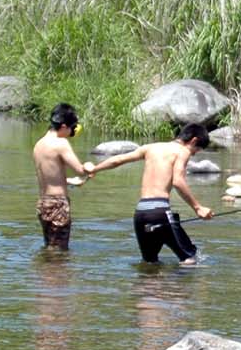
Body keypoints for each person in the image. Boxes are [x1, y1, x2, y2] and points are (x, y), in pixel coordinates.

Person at [85, 123, 217, 264]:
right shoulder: (182, 151)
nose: (193, 154)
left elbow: (118, 160)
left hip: (140, 214)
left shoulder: (150, 148)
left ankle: (150, 286)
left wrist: (95, 169)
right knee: (190, 258)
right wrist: (198, 208)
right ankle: (177, 286)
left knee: (149, 263)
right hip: (160, 212)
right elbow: (178, 181)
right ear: (194, 140)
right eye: (196, 151)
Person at [31, 103, 93, 249]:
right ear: (64, 126)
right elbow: (80, 169)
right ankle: (57, 272)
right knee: (59, 251)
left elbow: (46, 175)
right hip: (58, 204)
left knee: (50, 246)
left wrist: (69, 181)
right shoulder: (60, 143)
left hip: (43, 204)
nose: (72, 133)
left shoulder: (38, 145)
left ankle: (44, 272)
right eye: (72, 128)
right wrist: (89, 166)